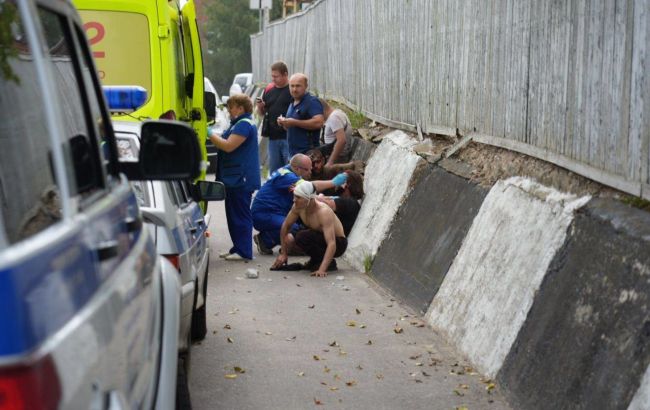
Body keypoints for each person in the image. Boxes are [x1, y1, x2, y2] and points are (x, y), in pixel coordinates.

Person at [251, 154, 348, 255]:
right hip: (264, 214)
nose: (310, 172)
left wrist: (330, 198)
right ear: (297, 168)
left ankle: (271, 239)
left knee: (298, 225)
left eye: (310, 169)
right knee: (294, 229)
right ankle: (265, 240)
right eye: (307, 170)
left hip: (273, 212)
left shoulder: (288, 172)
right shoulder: (286, 177)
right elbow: (310, 187)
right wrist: (333, 182)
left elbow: (309, 195)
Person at [208, 94, 260, 261]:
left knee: (240, 215)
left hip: (241, 178)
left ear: (240, 108)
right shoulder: (238, 124)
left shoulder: (243, 125)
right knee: (233, 214)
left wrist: (208, 133)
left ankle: (244, 251)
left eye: (231, 107)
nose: (229, 110)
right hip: (235, 177)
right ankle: (237, 247)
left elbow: (228, 146)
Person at [271, 182, 347, 277]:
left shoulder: (323, 212)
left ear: (309, 199)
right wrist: (283, 253)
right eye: (294, 196)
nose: (294, 200)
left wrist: (322, 270)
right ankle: (316, 260)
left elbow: (332, 243)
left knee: (304, 236)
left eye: (298, 197)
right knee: (300, 237)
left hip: (338, 243)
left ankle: (328, 263)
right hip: (320, 238)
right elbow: (285, 226)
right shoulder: (298, 207)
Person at [256, 61, 292, 173]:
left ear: (285, 74)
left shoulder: (293, 90)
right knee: (275, 172)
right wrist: (260, 107)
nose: (273, 79)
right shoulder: (269, 90)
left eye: (276, 76)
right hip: (273, 138)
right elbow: (262, 114)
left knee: (290, 171)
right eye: (272, 76)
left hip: (288, 137)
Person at [277, 73, 324, 156]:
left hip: (308, 155)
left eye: (298, 86)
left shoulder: (312, 101)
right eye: (292, 86)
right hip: (293, 154)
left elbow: (319, 122)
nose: (294, 89)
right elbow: (292, 127)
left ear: (306, 86)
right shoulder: (292, 102)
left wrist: (294, 122)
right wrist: (284, 123)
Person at [316, 170, 364, 236]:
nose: (337, 182)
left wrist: (320, 197)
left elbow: (327, 203)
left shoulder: (351, 202)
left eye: (341, 179)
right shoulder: (343, 200)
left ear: (348, 184)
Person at [318, 98, 353, 165]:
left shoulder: (334, 117)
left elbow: (341, 141)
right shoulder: (334, 115)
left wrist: (330, 162)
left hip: (338, 158)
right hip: (331, 155)